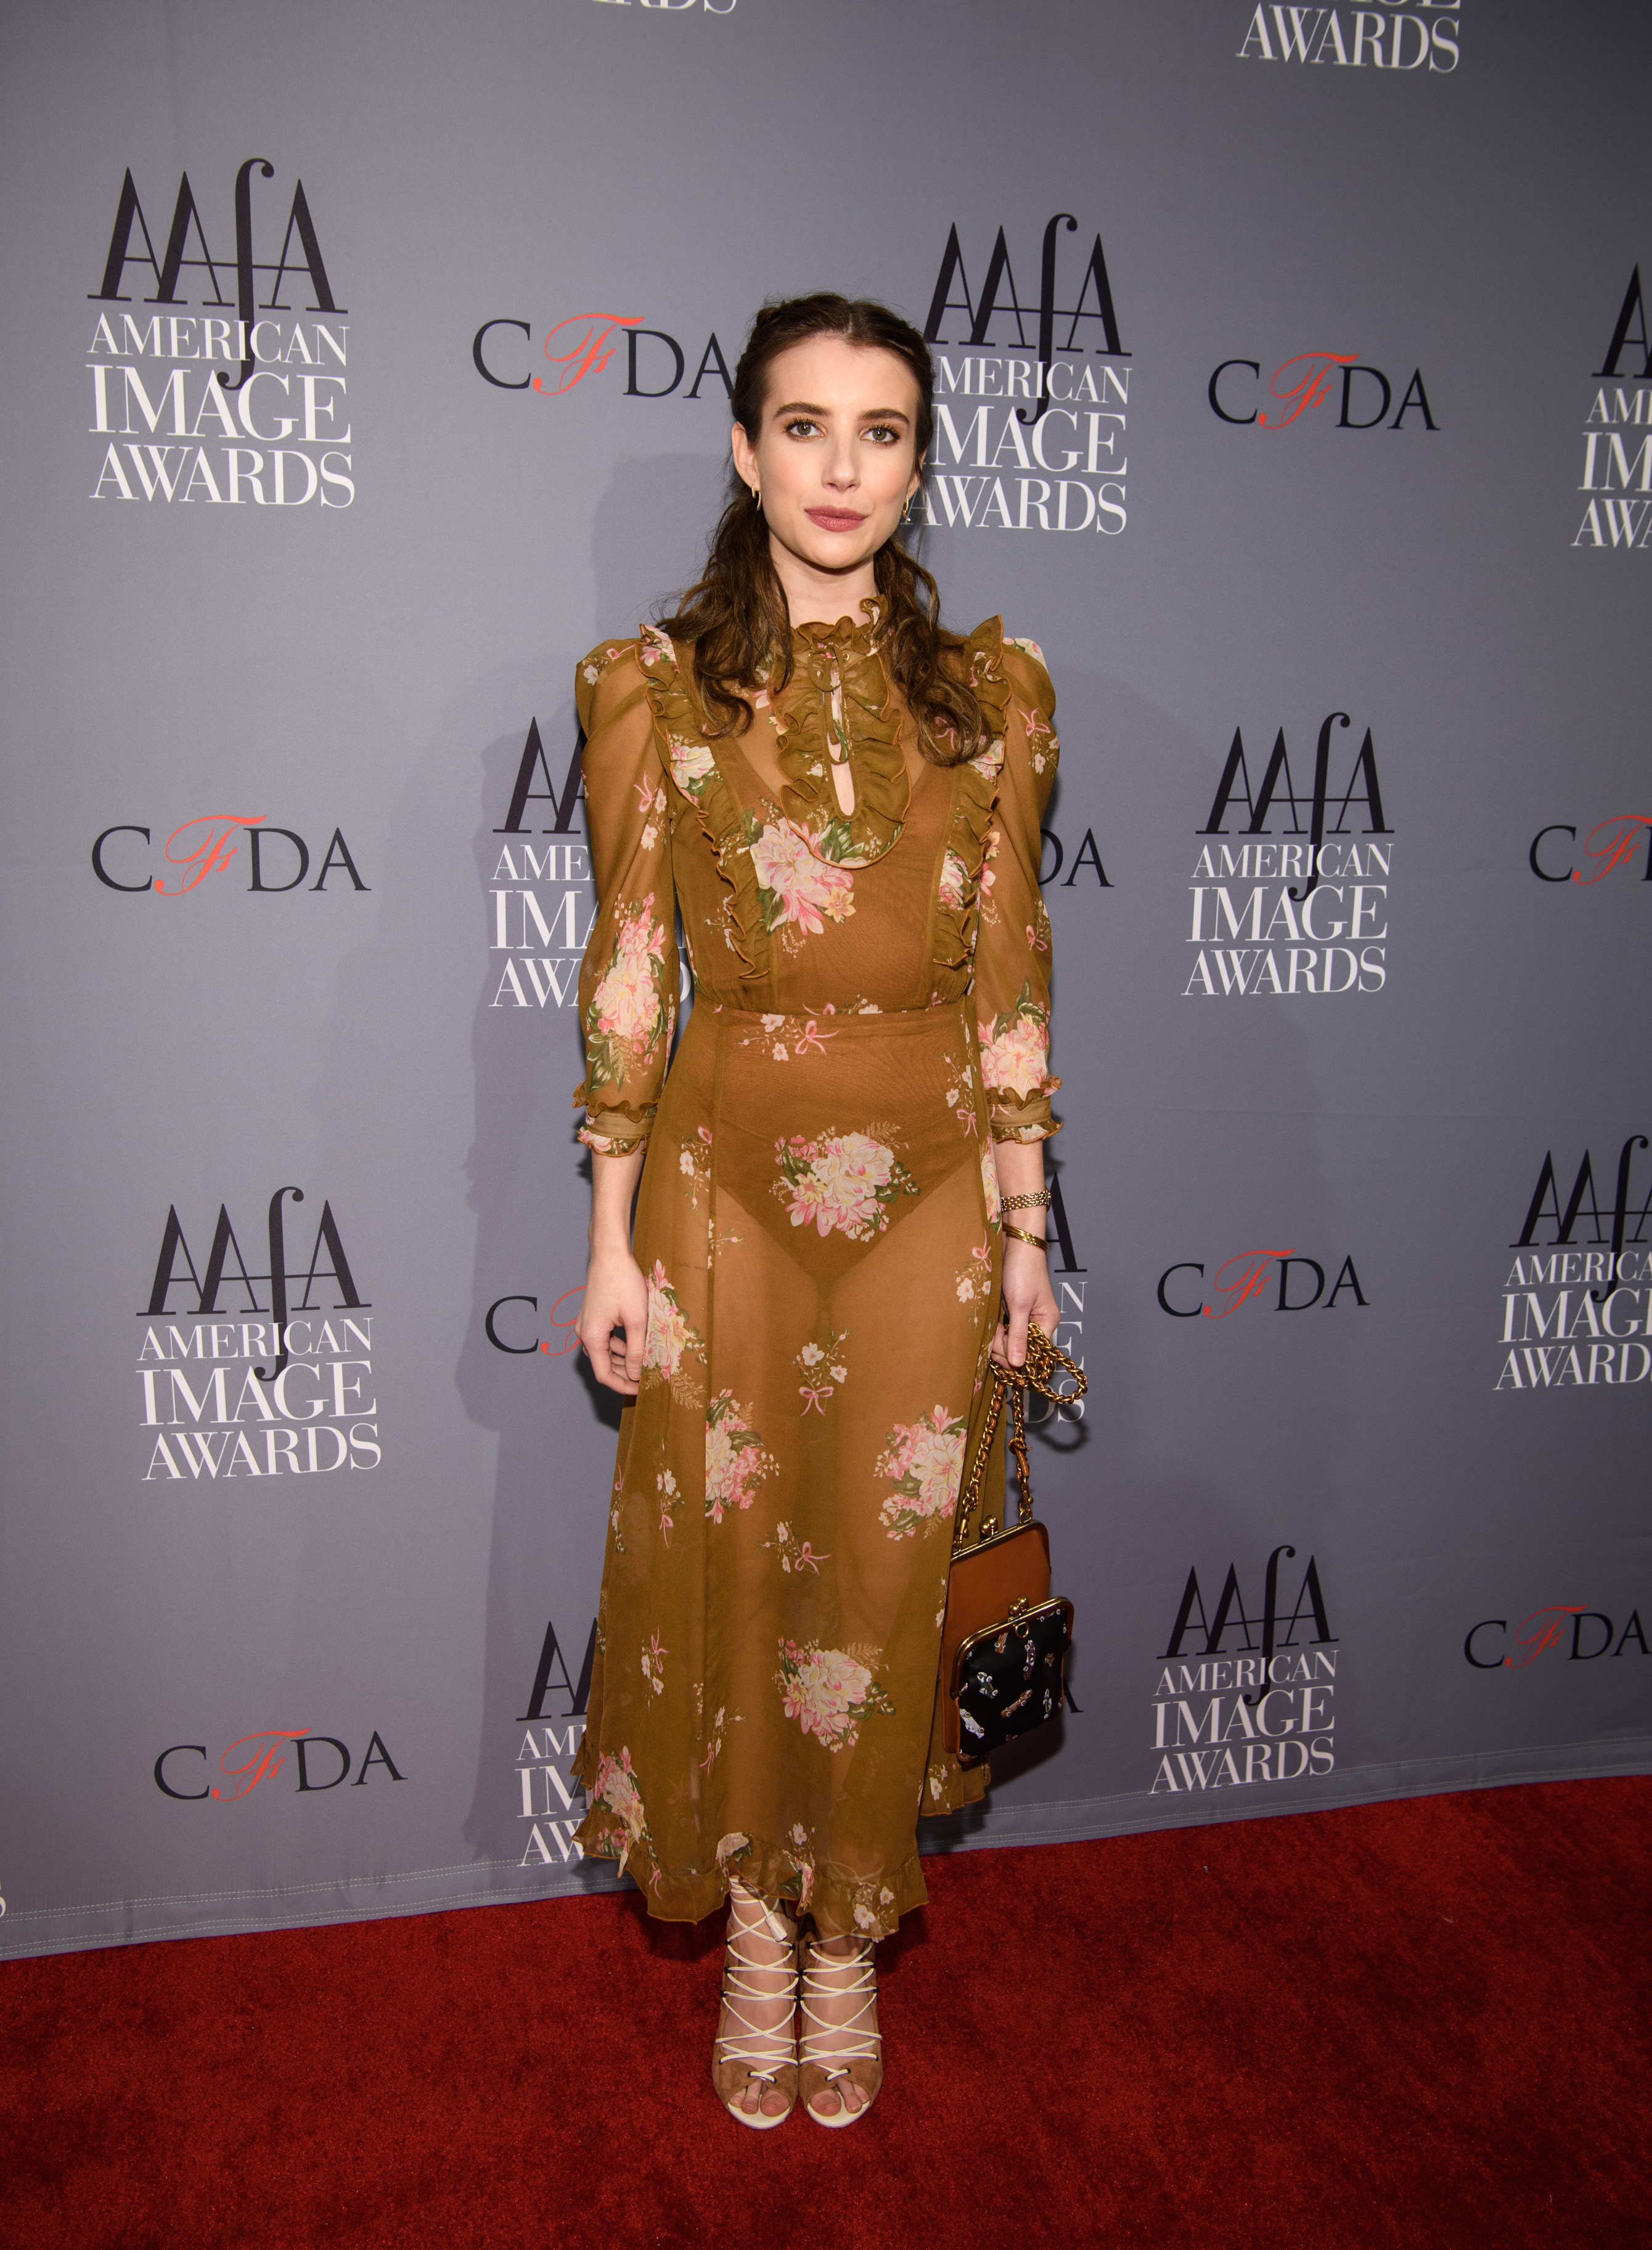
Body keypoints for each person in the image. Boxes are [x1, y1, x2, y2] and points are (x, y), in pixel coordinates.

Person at [570, 294, 1061, 2129]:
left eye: (882, 431)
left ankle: (848, 1926)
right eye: (804, 426)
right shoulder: (653, 688)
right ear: (743, 447)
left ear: (919, 463)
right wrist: (607, 1238)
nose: (841, 468)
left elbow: (1011, 975)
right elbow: (633, 969)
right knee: (737, 1570)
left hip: (934, 1190)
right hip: (717, 1189)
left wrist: (1027, 1228)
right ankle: (760, 1930)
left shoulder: (994, 697)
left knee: (883, 1568)